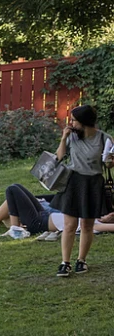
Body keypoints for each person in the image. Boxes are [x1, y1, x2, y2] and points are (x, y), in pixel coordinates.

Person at [50, 105, 106, 276]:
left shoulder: (104, 138)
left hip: (93, 183)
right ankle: (64, 262)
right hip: (73, 182)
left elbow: (108, 162)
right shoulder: (72, 137)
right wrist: (63, 138)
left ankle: (81, 260)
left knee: (87, 226)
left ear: (84, 122)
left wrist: (110, 162)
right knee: (69, 225)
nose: (71, 123)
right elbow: (59, 157)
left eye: (74, 120)